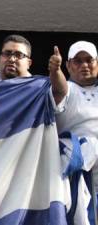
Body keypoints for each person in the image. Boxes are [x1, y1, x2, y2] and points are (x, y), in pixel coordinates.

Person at [49, 41, 98, 225]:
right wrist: (55, 71)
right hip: (73, 176)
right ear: (68, 65)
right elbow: (60, 90)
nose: (84, 65)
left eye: (89, 60)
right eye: (77, 61)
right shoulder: (69, 89)